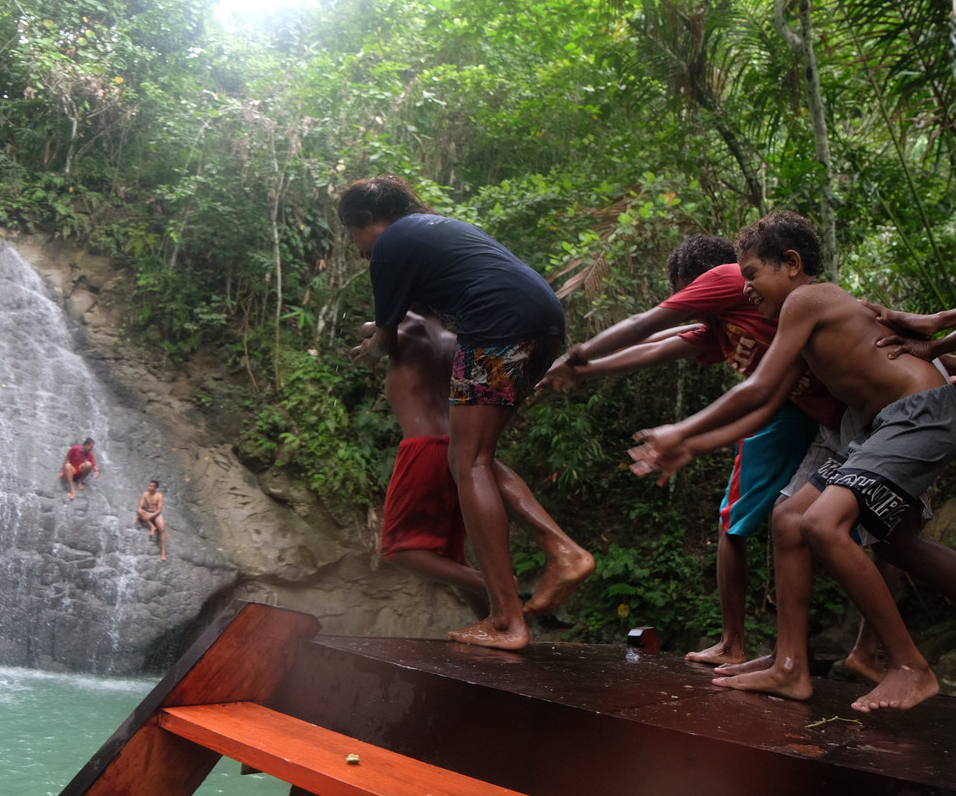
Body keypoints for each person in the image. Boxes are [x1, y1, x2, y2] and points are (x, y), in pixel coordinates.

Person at [631, 210, 956, 712]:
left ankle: (911, 666)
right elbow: (766, 401)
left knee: (823, 525)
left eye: (751, 276)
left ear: (790, 263)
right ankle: (791, 666)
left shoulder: (807, 298)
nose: (746, 291)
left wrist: (680, 428)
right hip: (874, 428)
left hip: (915, 414)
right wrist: (693, 445)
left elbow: (757, 387)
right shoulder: (800, 319)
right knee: (799, 521)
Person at [540, 234, 843, 666]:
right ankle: (776, 650)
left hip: (802, 415)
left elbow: (652, 324)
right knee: (800, 524)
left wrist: (578, 354)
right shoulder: (719, 327)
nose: (683, 297)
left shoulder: (724, 278)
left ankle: (739, 644)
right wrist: (582, 371)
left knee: (744, 521)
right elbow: (665, 346)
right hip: (807, 412)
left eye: (682, 288)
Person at [341, 174, 579, 650]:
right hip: (544, 322)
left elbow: (388, 335)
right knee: (479, 457)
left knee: (466, 461)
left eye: (357, 241)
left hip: (497, 324)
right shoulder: (438, 231)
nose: (364, 254)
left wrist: (370, 344)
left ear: (366, 220)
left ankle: (508, 619)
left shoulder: (390, 242)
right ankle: (559, 551)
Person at [366, 311, 593, 619]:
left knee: (399, 550)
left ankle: (497, 583)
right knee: (451, 556)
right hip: (462, 451)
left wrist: (371, 341)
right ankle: (498, 622)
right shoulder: (459, 344)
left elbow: (380, 335)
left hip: (425, 449)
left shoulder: (406, 325)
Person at [136, 480, 167, 561]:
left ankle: (163, 552)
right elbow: (140, 507)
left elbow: (159, 510)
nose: (149, 487)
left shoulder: (159, 496)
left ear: (155, 488)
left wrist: (150, 516)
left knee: (162, 528)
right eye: (149, 485)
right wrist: (144, 513)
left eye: (151, 486)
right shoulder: (145, 494)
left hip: (156, 514)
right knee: (139, 511)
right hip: (148, 512)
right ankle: (152, 526)